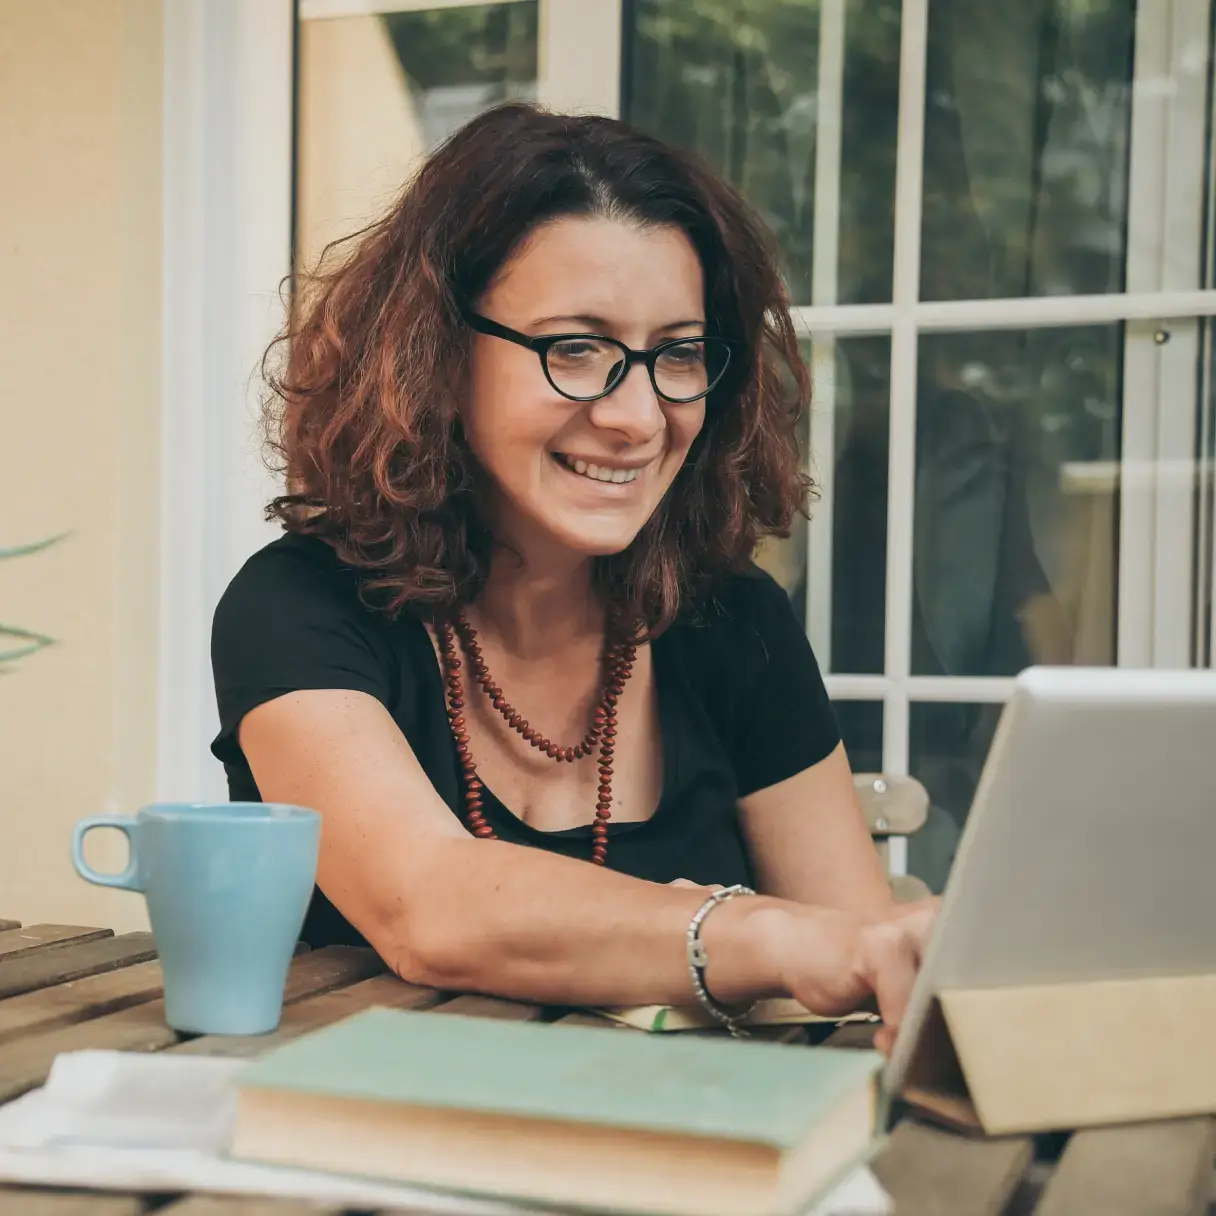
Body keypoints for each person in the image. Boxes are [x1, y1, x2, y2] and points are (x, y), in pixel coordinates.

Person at [210, 103, 936, 1052]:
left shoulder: (734, 619)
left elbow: (861, 949)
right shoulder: (297, 606)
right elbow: (428, 907)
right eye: (577, 348)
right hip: (372, 1154)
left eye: (677, 354)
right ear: (434, 353)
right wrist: (761, 931)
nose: (638, 416)